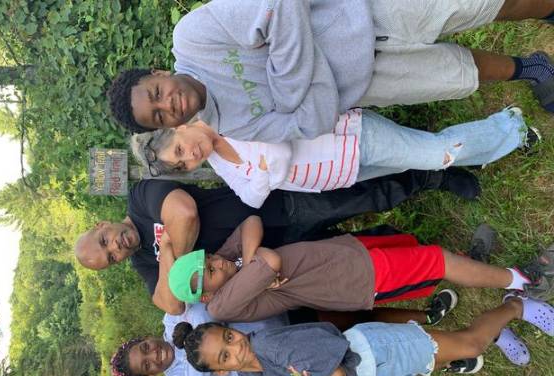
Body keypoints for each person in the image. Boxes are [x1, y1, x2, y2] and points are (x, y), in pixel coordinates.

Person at [107, 0, 554, 141]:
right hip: (370, 83)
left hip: (361, 9)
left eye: (157, 94)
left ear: (158, 71)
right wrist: (295, 57)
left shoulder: (193, 36)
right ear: (174, 126)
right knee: (455, 73)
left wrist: (291, 86)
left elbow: (277, 4)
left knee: (473, 5)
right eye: (161, 117)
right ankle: (532, 68)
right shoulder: (230, 125)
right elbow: (312, 123)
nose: (170, 105)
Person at [74, 171, 479, 314]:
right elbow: (173, 303)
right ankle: (427, 249)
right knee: (357, 245)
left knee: (364, 196)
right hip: (283, 260)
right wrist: (167, 259)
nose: (118, 247)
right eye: (111, 257)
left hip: (276, 209)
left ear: (100, 223)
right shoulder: (144, 260)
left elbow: (183, 213)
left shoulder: (140, 197)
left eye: (105, 240)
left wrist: (170, 259)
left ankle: (434, 178)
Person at [173, 294, 554, 376]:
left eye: (228, 336)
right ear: (222, 371)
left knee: (468, 347)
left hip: (373, 351)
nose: (236, 347)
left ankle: (514, 306)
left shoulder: (270, 344)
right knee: (427, 365)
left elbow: (332, 372)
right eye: (225, 355)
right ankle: (495, 331)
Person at [130, 106, 537, 208]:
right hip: (344, 171)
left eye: (181, 150)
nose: (191, 158)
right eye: (183, 165)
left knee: (435, 152)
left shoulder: (228, 114)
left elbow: (283, 150)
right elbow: (252, 198)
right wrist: (269, 172)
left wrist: (267, 172)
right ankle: (495, 139)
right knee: (428, 156)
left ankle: (511, 128)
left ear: (180, 127)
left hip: (350, 136)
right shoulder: (219, 163)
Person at [168, 216, 553, 323]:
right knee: (436, 260)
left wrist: (244, 254)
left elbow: (252, 222)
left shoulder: (227, 264)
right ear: (205, 295)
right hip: (355, 279)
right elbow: (271, 262)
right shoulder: (222, 305)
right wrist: (255, 259)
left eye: (209, 259)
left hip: (346, 254)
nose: (217, 262)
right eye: (210, 272)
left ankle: (478, 268)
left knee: (423, 256)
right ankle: (524, 281)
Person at [110, 303, 288, 376]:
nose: (153, 354)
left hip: (275, 315)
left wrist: (204, 360)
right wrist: (194, 331)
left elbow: (204, 310)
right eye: (147, 365)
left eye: (145, 347)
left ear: (146, 338)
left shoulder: (171, 318)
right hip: (276, 366)